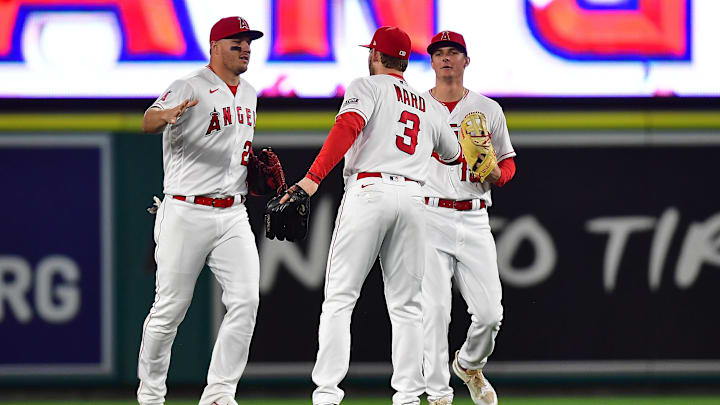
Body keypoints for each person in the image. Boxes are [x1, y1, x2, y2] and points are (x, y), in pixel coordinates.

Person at [278, 26, 464, 405]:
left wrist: (311, 180)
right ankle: (409, 395)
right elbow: (452, 154)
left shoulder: (367, 86)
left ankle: (328, 395)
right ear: (407, 60)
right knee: (408, 306)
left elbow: (347, 127)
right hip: (414, 198)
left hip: (370, 190)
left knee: (340, 298)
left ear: (376, 56)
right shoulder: (428, 104)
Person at [136, 16, 264, 405]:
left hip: (232, 213)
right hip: (185, 210)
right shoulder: (188, 85)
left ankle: (220, 393)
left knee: (246, 300)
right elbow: (147, 121)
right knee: (170, 308)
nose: (244, 47)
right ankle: (151, 395)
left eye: (248, 42)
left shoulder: (251, 93)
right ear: (214, 46)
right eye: (235, 42)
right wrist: (167, 115)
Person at [421, 31, 517, 405]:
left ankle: (469, 364)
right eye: (439, 53)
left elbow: (507, 166)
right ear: (431, 62)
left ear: (466, 60)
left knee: (490, 314)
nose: (446, 58)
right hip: (429, 214)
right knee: (435, 311)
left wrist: (493, 174)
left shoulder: (488, 109)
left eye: (453, 52)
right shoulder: (416, 107)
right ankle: (438, 394)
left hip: (474, 217)